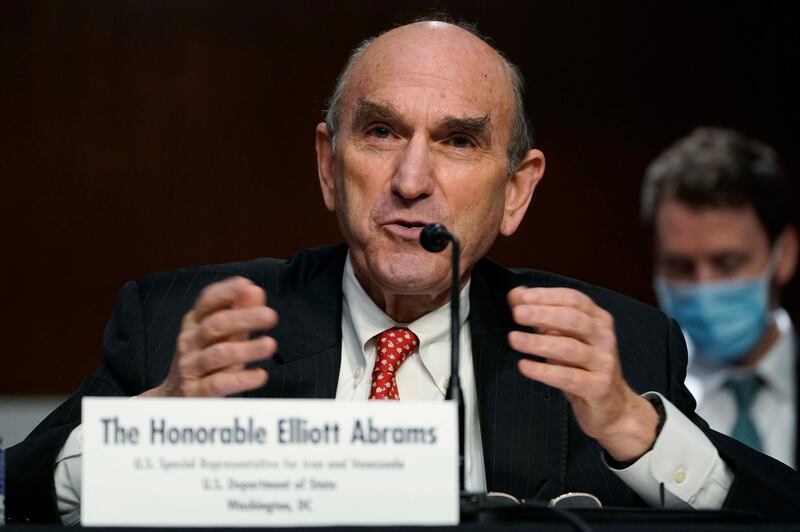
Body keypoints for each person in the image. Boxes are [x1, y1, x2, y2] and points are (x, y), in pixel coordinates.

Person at [7, 20, 800, 524]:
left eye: (457, 141)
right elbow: (18, 494)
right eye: (382, 132)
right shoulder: (184, 324)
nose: (411, 180)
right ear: (329, 164)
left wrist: (634, 429)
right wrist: (156, 426)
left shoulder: (619, 344)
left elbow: (774, 511)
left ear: (516, 189)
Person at [642, 127, 798, 468]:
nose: (704, 284)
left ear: (783, 255)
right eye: (681, 267)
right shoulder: (640, 395)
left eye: (727, 263)